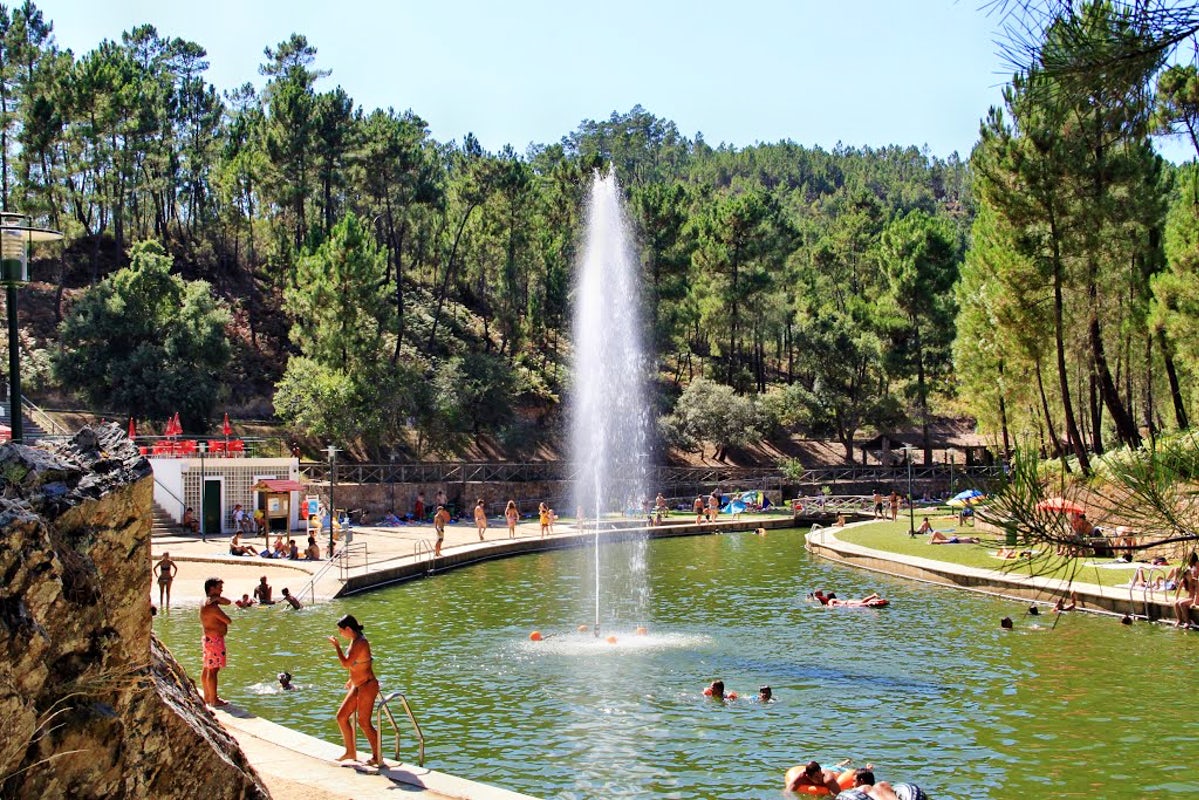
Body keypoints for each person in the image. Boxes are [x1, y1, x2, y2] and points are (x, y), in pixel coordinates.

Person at [328, 614, 382, 766]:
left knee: (364, 722)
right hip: (357, 685)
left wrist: (337, 647)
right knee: (341, 717)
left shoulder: (361, 642)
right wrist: (351, 679)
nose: (340, 634)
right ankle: (350, 751)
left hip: (367, 685)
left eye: (341, 631)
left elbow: (346, 663)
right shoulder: (354, 640)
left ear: (348, 629)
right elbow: (359, 663)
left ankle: (377, 756)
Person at [200, 577, 232, 707]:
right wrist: (216, 601)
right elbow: (227, 620)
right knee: (213, 670)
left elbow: (228, 602)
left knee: (207, 667)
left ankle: (207, 696)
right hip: (215, 641)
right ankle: (214, 699)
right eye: (219, 588)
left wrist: (217, 598)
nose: (221, 590)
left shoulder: (206, 601)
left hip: (209, 639)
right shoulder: (212, 607)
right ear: (212, 588)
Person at [834, 767, 928, 800]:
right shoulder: (884, 785)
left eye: (854, 781)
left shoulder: (863, 789)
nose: (852, 785)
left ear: (861, 781)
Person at [1174, 552, 1199, 627]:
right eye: (1189, 574)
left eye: (1191, 574)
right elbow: (1178, 591)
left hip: (1196, 599)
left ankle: (1187, 621)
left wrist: (1194, 603)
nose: (1191, 575)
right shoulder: (1184, 581)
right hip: (1190, 598)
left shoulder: (1195, 581)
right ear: (1185, 576)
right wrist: (1176, 599)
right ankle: (1179, 620)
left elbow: (1197, 593)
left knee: (1182, 603)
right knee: (1176, 603)